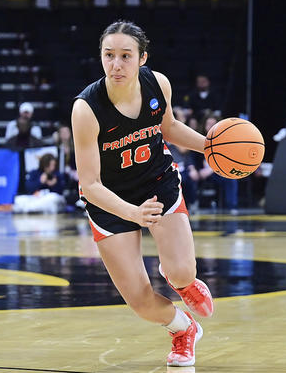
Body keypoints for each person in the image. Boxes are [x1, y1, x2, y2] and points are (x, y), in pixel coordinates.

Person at [71, 21, 213, 367]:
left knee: (181, 272)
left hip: (156, 182)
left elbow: (170, 128)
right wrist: (133, 213)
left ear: (142, 58)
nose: (116, 64)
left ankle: (180, 278)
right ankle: (183, 330)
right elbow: (89, 185)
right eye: (109, 56)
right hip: (109, 200)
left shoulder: (157, 83)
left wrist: (211, 149)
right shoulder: (86, 109)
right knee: (140, 302)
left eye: (125, 56)